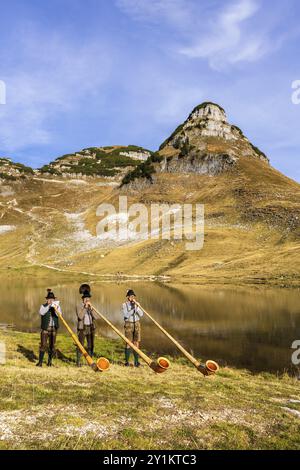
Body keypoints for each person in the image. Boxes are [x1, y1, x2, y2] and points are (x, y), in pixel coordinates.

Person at [36, 288, 61, 367]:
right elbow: (41, 312)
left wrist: (55, 308)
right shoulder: (43, 306)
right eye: (49, 299)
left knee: (52, 345)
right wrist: (48, 306)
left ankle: (49, 362)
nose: (51, 300)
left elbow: (59, 315)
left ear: (54, 300)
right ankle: (40, 362)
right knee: (43, 345)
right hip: (45, 328)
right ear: (47, 300)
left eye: (52, 299)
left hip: (54, 328)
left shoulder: (57, 306)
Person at [122, 289, 143, 367]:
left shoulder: (137, 304)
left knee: (136, 342)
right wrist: (133, 310)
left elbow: (141, 314)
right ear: (128, 297)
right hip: (128, 325)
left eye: (133, 296)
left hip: (137, 324)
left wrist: (137, 308)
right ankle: (127, 362)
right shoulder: (124, 305)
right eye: (131, 296)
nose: (132, 298)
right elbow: (126, 315)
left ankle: (136, 362)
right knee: (128, 343)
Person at [76, 289, 97, 366]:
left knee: (91, 345)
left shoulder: (91, 306)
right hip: (82, 328)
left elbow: (96, 317)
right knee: (80, 345)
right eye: (85, 298)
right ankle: (78, 362)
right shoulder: (79, 305)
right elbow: (80, 317)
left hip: (91, 327)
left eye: (88, 298)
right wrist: (85, 308)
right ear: (82, 299)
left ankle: (90, 361)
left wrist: (91, 309)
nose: (87, 300)